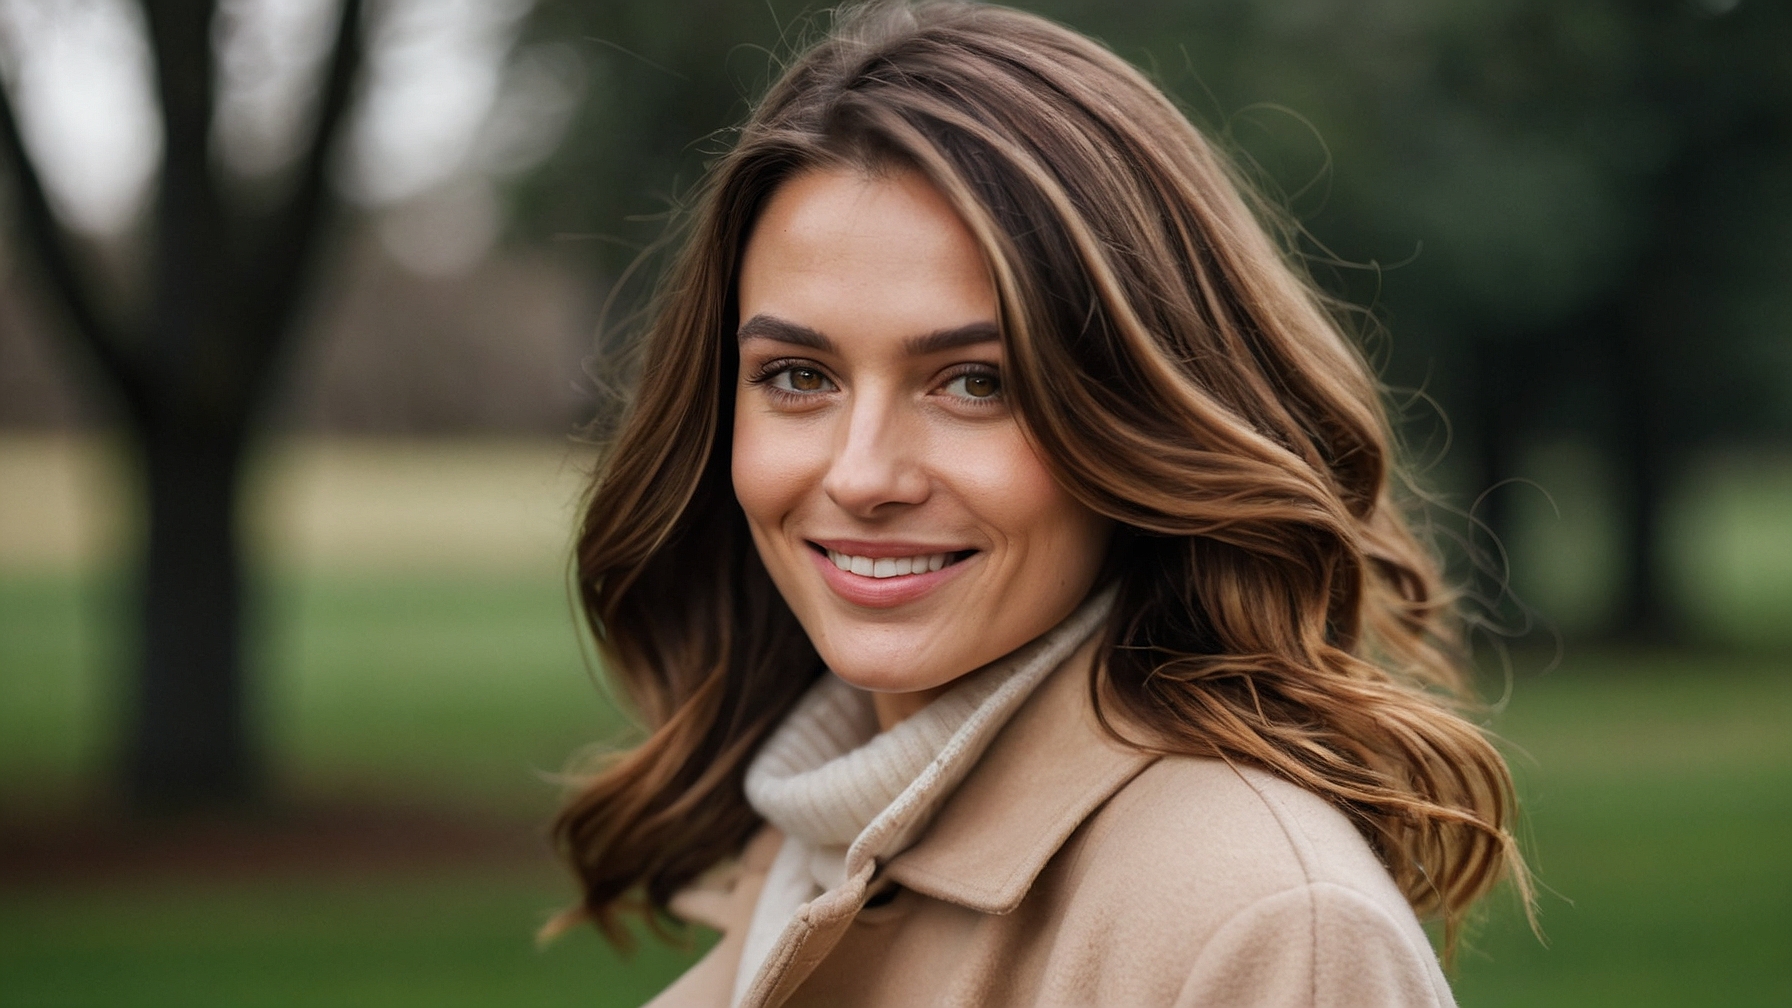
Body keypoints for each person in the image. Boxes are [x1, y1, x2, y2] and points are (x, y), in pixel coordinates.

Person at [547, 3, 1530, 1005]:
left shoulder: (1269, 925)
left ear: (1142, 413)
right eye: (799, 376)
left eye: (976, 382)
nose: (861, 475)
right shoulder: (812, 839)